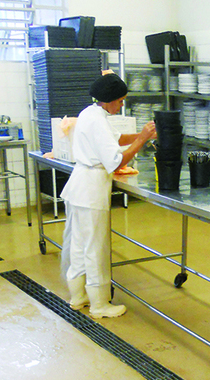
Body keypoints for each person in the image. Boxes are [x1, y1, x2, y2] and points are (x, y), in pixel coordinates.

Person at [60, 72, 156, 318]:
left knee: (80, 246)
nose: (121, 105)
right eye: (120, 101)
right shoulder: (97, 120)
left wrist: (143, 135)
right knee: (96, 248)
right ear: (110, 99)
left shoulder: (89, 113)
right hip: (91, 190)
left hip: (79, 188)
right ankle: (100, 305)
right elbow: (116, 161)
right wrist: (142, 139)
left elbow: (116, 139)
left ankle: (78, 296)